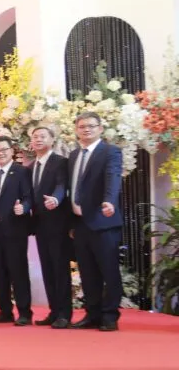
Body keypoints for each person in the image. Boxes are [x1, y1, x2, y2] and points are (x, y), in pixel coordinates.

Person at [68, 112, 124, 332]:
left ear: (100, 129)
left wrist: (109, 201)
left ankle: (109, 316)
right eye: (82, 126)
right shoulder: (74, 155)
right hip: (80, 223)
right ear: (76, 130)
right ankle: (92, 314)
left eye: (91, 126)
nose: (86, 129)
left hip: (103, 220)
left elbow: (113, 177)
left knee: (109, 271)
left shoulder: (110, 151)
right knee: (88, 272)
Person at [0, 135, 34, 326]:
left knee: (18, 270)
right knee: (0, 271)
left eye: (3, 150)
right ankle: (4, 310)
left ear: (12, 151)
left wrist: (24, 207)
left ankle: (24, 312)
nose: (0, 153)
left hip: (15, 228)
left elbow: (28, 197)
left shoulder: (22, 172)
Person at [28, 126, 72, 329]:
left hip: (57, 223)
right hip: (39, 224)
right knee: (47, 268)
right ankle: (54, 311)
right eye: (35, 137)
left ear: (52, 139)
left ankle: (64, 314)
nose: (38, 139)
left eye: (42, 136)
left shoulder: (60, 162)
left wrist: (56, 198)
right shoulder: (30, 167)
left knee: (60, 268)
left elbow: (62, 185)